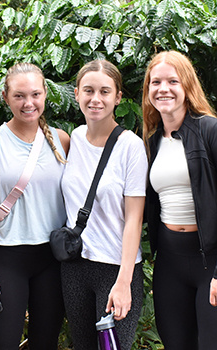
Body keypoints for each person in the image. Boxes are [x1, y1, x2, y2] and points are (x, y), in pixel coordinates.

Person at [142, 50, 217, 349]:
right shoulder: (151, 142)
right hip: (170, 266)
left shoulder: (214, 131)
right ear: (148, 90)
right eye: (155, 82)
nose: (163, 89)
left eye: (172, 81)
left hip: (214, 263)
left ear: (187, 86)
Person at [0, 62, 70, 350]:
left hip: (52, 257)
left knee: (45, 342)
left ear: (46, 94)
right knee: (3, 343)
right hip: (5, 257)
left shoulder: (62, 141)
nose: (28, 103)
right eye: (19, 96)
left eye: (35, 94)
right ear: (6, 97)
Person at [60, 60, 147, 349]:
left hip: (116, 269)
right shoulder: (73, 138)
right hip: (75, 266)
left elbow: (134, 219)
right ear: (76, 94)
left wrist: (124, 282)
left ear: (118, 97)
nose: (95, 99)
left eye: (104, 91)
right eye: (88, 90)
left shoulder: (131, 146)